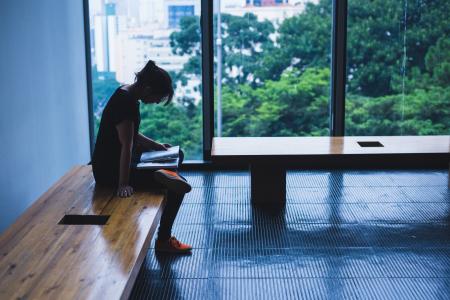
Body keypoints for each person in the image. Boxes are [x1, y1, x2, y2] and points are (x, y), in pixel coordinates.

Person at [92, 60, 192, 254]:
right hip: (111, 170)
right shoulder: (126, 103)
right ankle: (163, 241)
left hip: (116, 160)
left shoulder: (125, 92)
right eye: (157, 97)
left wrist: (157, 146)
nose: (156, 102)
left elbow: (131, 134)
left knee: (176, 154)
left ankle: (161, 172)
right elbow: (126, 146)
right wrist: (123, 184)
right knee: (178, 188)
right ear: (147, 89)